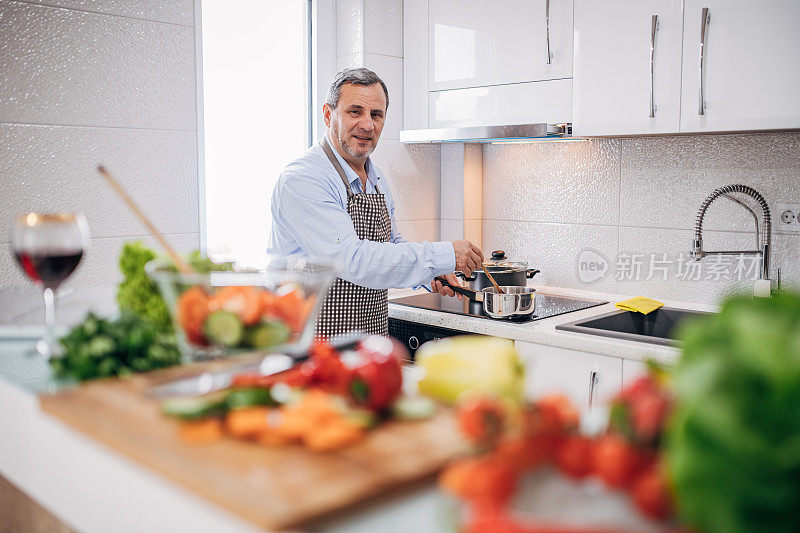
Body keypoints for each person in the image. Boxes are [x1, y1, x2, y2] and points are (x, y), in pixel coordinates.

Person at [268, 68, 483, 338]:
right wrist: (444, 254)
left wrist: (429, 274)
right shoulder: (303, 179)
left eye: (376, 114)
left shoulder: (375, 176)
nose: (367, 125)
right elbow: (352, 260)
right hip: (311, 346)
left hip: (368, 345)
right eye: (355, 111)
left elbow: (390, 243)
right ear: (327, 114)